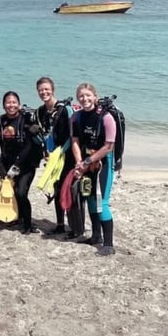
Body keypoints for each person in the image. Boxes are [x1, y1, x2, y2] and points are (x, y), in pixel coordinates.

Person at [70, 82, 117, 256]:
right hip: (86, 162)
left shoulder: (106, 118)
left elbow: (109, 146)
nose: (85, 99)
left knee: (101, 202)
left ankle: (109, 244)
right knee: (89, 198)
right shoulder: (76, 117)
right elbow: (75, 141)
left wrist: (88, 161)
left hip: (103, 163)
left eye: (88, 95)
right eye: (81, 96)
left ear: (95, 97)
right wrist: (79, 163)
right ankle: (96, 235)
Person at [0, 91, 45, 234]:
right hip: (8, 164)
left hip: (26, 163)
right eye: (8, 102)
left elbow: (29, 145)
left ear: (19, 104)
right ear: (3, 105)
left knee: (21, 192)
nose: (11, 105)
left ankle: (28, 224)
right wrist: (0, 168)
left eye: (14, 102)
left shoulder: (25, 120)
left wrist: (17, 164)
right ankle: (18, 217)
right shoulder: (0, 122)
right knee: (13, 192)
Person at [35, 76, 75, 235]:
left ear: (52, 89)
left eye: (46, 89)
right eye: (40, 90)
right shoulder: (41, 112)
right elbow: (44, 135)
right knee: (57, 189)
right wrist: (46, 153)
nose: (43, 92)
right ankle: (60, 224)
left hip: (67, 155)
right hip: (52, 156)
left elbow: (72, 136)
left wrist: (60, 152)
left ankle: (74, 226)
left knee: (68, 189)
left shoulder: (65, 110)